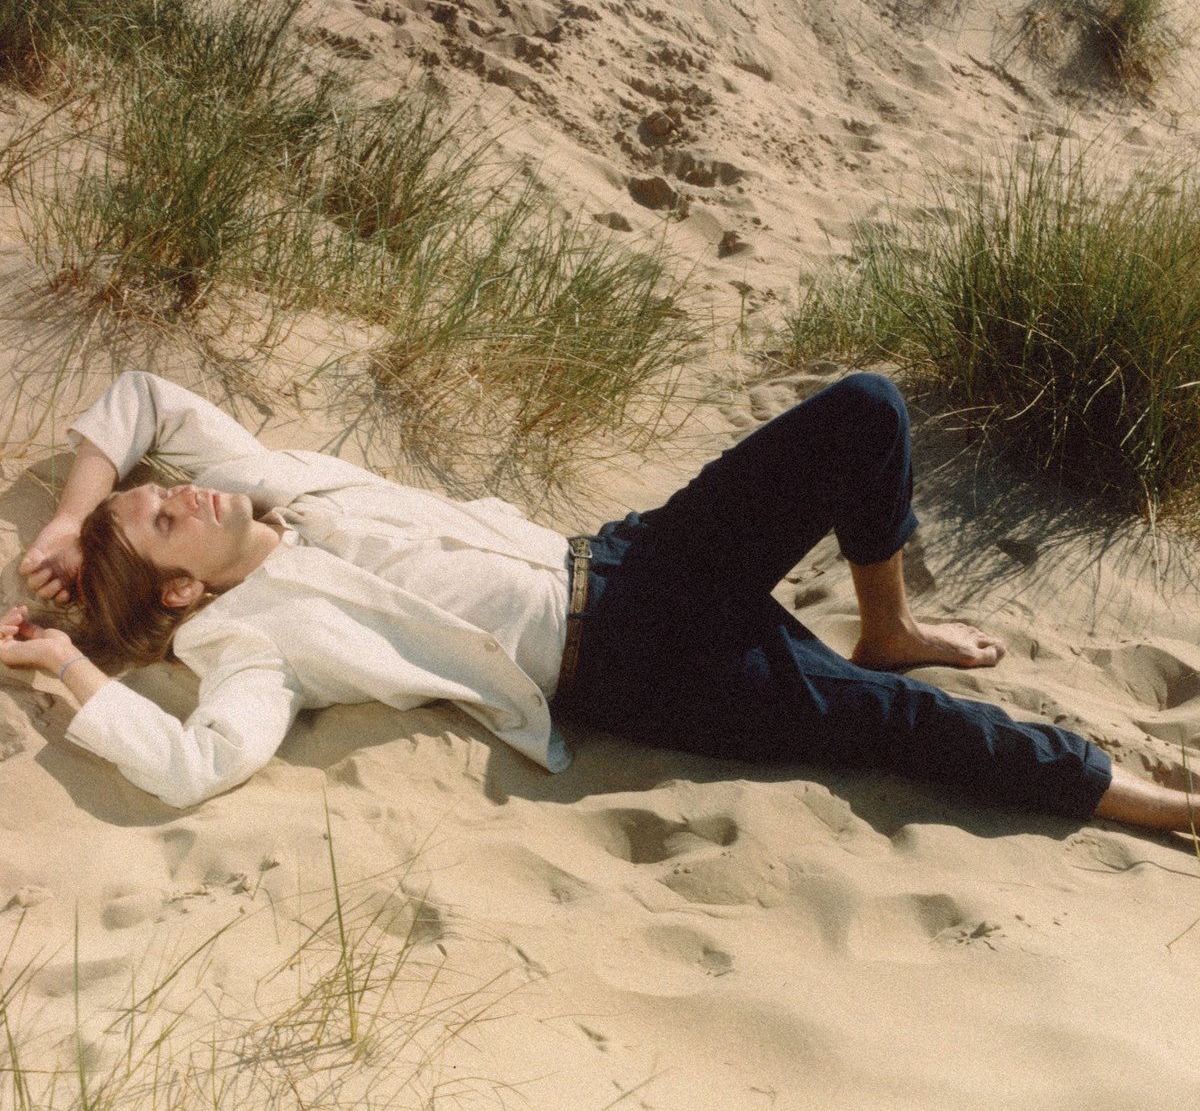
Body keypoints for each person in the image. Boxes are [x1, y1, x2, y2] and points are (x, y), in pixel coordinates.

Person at [0, 371, 1192, 833]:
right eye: (164, 519)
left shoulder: (269, 483)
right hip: (632, 664)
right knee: (904, 726)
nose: (183, 491)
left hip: (633, 557)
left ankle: (887, 627)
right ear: (183, 586)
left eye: (160, 492)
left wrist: (69, 517)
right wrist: (66, 665)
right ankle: (1150, 803)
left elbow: (145, 397)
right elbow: (191, 765)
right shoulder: (258, 643)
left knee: (868, 412)